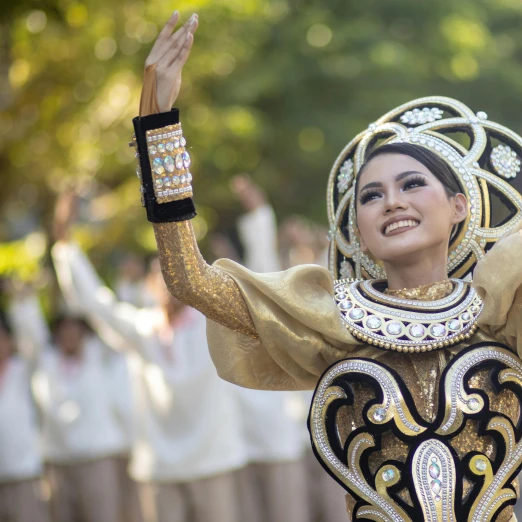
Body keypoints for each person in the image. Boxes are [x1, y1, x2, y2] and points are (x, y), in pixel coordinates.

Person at [130, 1, 522, 520]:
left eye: (412, 184)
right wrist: (157, 130)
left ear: (459, 206)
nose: (392, 201)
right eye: (372, 196)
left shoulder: (505, 314)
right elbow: (190, 281)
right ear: (360, 234)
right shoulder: (328, 321)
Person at [50, 193, 247, 522]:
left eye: (175, 275)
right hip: (159, 470)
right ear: (150, 285)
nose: (168, 283)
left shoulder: (213, 322)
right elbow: (94, 302)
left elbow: (248, 296)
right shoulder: (142, 330)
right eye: (161, 276)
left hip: (213, 462)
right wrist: (64, 242)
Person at [229, 175, 312, 522]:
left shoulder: (276, 310)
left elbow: (262, 265)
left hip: (281, 443)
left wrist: (259, 210)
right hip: (241, 447)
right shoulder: (227, 319)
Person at [8, 293, 130, 522]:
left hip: (98, 461)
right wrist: (23, 297)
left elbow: (106, 318)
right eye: (64, 328)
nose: (70, 334)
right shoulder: (46, 362)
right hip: (59, 465)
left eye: (75, 328)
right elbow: (30, 333)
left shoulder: (100, 356)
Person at [0, 304, 48, 522]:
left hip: (24, 475)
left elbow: (36, 341)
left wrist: (23, 304)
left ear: (10, 341)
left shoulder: (22, 369)